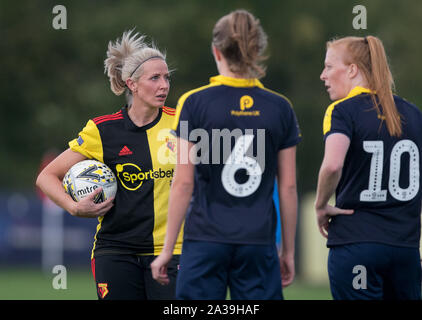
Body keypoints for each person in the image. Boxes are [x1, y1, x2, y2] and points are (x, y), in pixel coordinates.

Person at [151, 9, 301, 300]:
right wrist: (288, 251)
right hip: (257, 241)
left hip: (205, 239)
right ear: (258, 49)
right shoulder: (280, 107)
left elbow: (183, 183)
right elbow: (289, 186)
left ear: (216, 51)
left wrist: (168, 250)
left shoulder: (193, 103)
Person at [36, 30, 183, 300]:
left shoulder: (182, 124)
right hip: (115, 251)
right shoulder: (102, 130)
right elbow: (47, 176)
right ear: (132, 84)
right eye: (155, 78)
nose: (164, 85)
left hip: (172, 252)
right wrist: (74, 207)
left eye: (166, 78)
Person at [315, 35, 422, 300]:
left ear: (352, 69)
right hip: (405, 251)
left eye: (329, 66)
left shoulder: (342, 111)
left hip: (357, 245)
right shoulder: (414, 114)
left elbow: (332, 166)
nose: (322, 75)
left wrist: (320, 205)